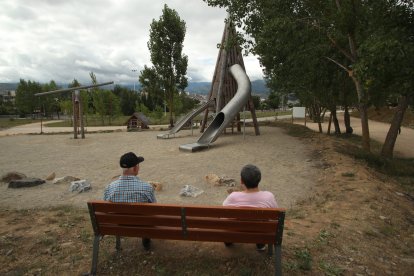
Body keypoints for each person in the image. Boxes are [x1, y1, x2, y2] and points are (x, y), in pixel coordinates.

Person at [103, 152, 156, 250]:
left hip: (118, 225)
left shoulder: (109, 188)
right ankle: (146, 238)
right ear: (135, 168)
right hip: (142, 225)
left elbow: (105, 211)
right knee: (148, 214)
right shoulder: (147, 187)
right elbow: (155, 209)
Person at [223, 164, 278, 251]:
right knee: (262, 224)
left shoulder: (233, 196)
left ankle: (229, 241)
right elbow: (274, 218)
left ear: (241, 181)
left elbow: (224, 216)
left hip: (236, 232)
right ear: (259, 179)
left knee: (230, 223)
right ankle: (260, 244)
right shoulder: (269, 196)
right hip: (260, 233)